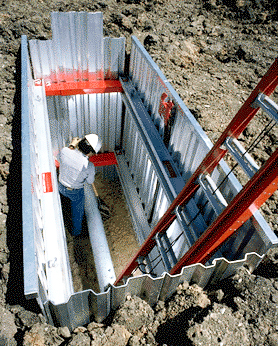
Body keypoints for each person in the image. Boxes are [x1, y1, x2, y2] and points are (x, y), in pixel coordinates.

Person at [57, 134, 102, 237]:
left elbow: (60, 158)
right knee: (77, 213)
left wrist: (72, 146)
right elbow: (90, 181)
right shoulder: (89, 166)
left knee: (64, 201)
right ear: (91, 152)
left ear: (80, 142)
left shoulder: (65, 151)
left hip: (61, 186)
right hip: (75, 193)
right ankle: (76, 232)